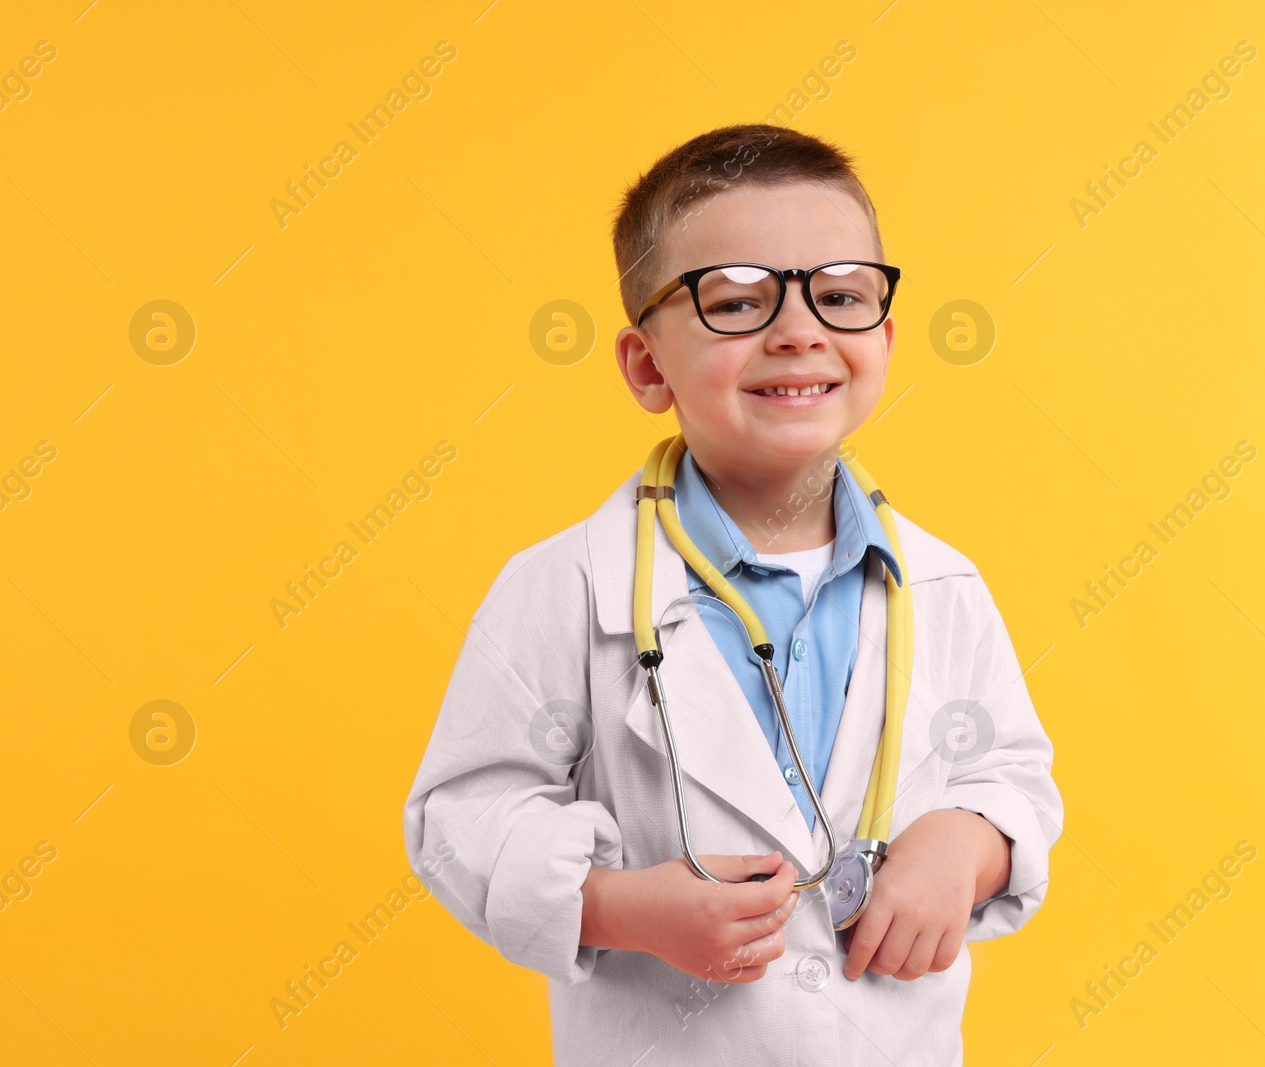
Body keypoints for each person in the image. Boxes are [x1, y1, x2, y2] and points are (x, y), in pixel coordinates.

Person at [403, 123, 1063, 1066]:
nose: (799, 331)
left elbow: (1015, 782)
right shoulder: (564, 587)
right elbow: (462, 819)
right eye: (738, 303)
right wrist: (621, 908)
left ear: (883, 334)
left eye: (839, 294)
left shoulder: (942, 588)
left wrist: (968, 843)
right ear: (646, 365)